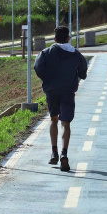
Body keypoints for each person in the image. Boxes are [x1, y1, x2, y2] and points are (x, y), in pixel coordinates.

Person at [34, 26, 88, 172]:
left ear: (55, 38)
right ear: (68, 38)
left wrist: (49, 79)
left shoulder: (46, 53)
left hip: (52, 91)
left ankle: (54, 152)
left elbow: (38, 68)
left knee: (54, 120)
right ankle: (64, 153)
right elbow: (83, 73)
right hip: (68, 92)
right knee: (66, 123)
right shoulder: (76, 54)